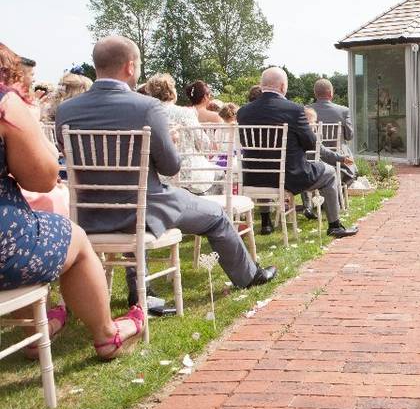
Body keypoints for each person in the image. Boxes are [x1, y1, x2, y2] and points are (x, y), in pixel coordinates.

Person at [56, 37, 276, 298]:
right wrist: (168, 142)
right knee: (216, 216)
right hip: (145, 208)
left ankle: (140, 292)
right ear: (129, 66)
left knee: (134, 202)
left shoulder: (66, 111)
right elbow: (171, 166)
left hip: (89, 214)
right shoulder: (147, 107)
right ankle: (249, 276)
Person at [0, 42, 145, 360]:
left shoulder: (66, 110)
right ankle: (107, 335)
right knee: (70, 238)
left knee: (33, 223)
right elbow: (41, 178)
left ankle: (38, 330)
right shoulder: (5, 104)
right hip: (5, 243)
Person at [237, 67, 357, 237]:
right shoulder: (293, 110)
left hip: (253, 177)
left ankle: (266, 222)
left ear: (262, 85)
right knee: (330, 173)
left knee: (265, 165)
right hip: (290, 176)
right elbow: (310, 143)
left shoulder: (243, 112)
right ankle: (334, 225)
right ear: (282, 86)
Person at [142, 73, 215, 193]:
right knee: (219, 175)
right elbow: (205, 145)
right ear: (172, 91)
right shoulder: (186, 113)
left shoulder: (145, 115)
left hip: (156, 179)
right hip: (190, 177)